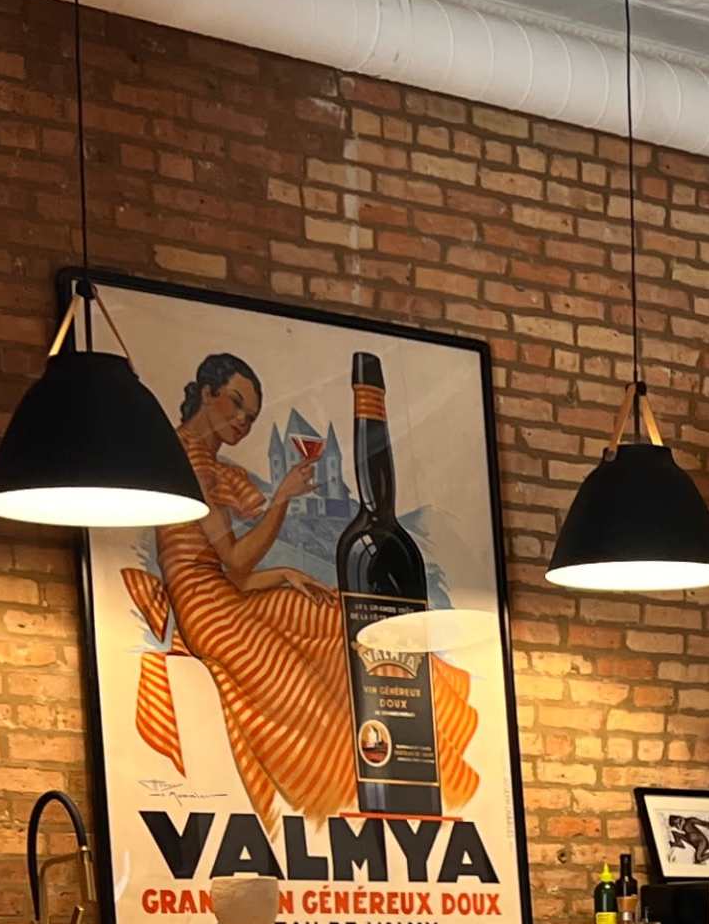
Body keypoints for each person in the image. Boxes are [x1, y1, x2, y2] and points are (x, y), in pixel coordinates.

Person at [120, 352, 481, 823]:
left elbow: (239, 574)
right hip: (209, 610)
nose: (243, 421)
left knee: (337, 615)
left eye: (251, 415)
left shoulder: (212, 463)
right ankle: (345, 775)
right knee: (317, 661)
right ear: (206, 394)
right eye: (235, 403)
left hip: (229, 594)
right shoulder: (188, 461)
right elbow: (234, 560)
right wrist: (283, 498)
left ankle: (408, 756)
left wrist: (285, 575)